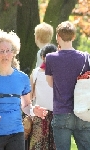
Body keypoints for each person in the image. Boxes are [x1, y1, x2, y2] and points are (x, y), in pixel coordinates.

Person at [0, 30, 48, 150]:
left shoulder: (22, 78)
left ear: (13, 53)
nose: (5, 54)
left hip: (16, 133)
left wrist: (34, 111)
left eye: (8, 51)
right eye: (1, 51)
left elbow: (26, 105)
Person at [45, 21, 90, 150]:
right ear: (74, 37)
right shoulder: (86, 57)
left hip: (61, 112)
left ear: (57, 36)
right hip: (83, 111)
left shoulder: (50, 58)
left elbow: (50, 83)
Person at [29, 44, 57, 150]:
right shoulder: (59, 73)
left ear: (42, 57)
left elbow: (31, 95)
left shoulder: (35, 72)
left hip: (39, 115)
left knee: (37, 146)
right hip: (56, 114)